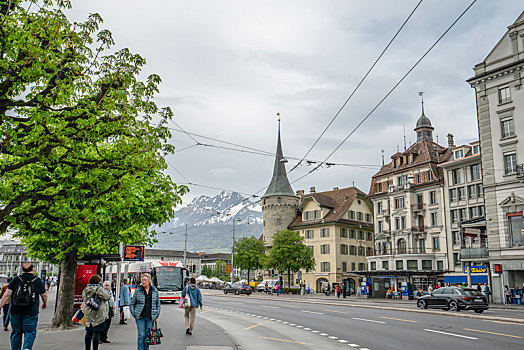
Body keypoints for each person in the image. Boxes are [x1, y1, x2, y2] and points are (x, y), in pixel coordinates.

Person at [0, 263, 47, 350]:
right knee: (30, 332)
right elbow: (44, 295)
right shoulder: (37, 280)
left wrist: (0, 306)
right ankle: (26, 348)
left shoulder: (16, 279)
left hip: (15, 311)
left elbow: (7, 295)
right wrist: (45, 303)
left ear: (22, 270)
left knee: (16, 332)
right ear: (32, 269)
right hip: (31, 312)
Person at [130, 273, 161, 350]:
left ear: (149, 281)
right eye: (142, 280)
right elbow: (132, 303)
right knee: (141, 335)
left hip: (150, 317)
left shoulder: (154, 291)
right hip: (140, 317)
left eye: (145, 280)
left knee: (148, 336)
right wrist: (134, 314)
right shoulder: (138, 290)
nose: (143, 282)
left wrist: (156, 315)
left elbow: (158, 304)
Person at [82, 274, 111, 350]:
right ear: (99, 281)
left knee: (88, 332)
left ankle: (87, 348)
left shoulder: (86, 289)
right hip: (98, 313)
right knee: (96, 332)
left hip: (88, 312)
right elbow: (108, 297)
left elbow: (84, 299)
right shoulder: (99, 289)